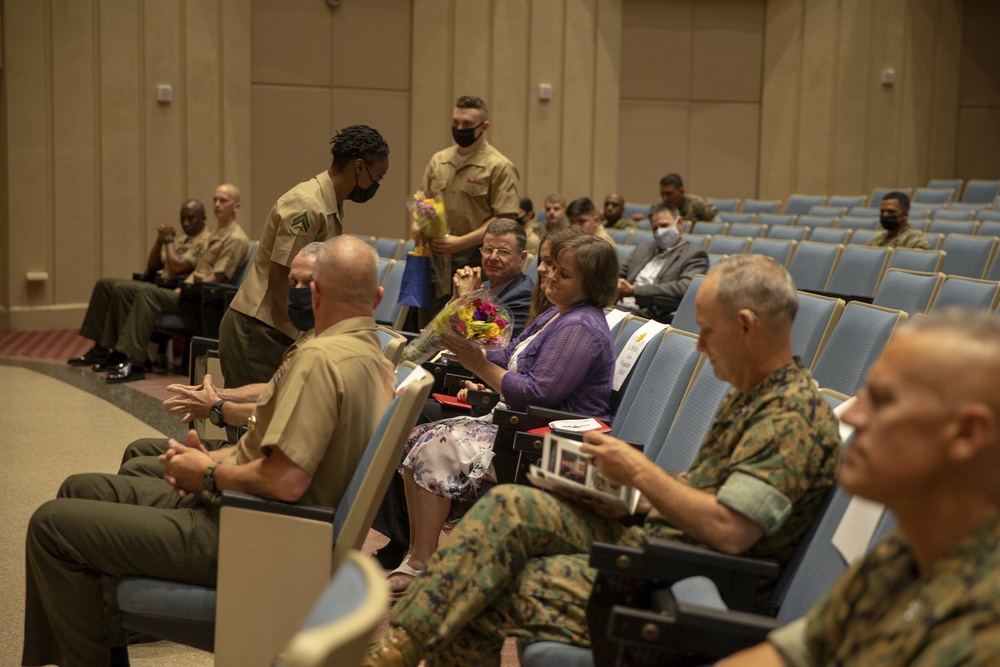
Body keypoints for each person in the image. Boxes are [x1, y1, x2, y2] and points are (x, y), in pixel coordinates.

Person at [362, 254, 841, 667]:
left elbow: (731, 530)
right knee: (510, 506)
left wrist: (639, 475)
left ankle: (398, 646)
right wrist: (621, 495)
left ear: (745, 326)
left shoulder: (788, 417)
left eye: (708, 331)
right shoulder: (754, 397)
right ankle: (402, 642)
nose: (699, 344)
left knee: (486, 591)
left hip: (677, 585)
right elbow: (711, 495)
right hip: (657, 543)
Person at [21, 236, 396, 667]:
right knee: (78, 489)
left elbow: (287, 480)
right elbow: (282, 456)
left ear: (314, 292)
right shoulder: (377, 364)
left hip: (249, 532)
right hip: (270, 525)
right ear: (378, 297)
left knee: (52, 525)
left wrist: (209, 475)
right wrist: (208, 460)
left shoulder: (321, 359)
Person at [722, 309, 1000, 666]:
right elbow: (793, 652)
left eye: (882, 400)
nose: (850, 416)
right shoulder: (908, 549)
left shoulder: (986, 631)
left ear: (966, 434)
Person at [384, 234, 620, 598]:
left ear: (592, 282)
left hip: (549, 442)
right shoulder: (556, 314)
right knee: (417, 437)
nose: (550, 276)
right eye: (552, 266)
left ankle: (422, 562)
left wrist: (475, 362)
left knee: (433, 449)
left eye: (564, 273)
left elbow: (538, 393)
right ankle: (419, 557)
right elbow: (509, 352)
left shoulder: (581, 327)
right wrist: (466, 333)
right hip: (517, 423)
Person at [116, 242, 326, 477]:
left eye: (308, 282)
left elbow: (282, 418)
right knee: (138, 448)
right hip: (253, 453)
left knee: (138, 467)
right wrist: (217, 393)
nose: (297, 290)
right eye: (292, 282)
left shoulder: (323, 353)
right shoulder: (309, 336)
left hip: (258, 469)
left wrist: (217, 409)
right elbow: (274, 389)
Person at [221, 125, 390, 388]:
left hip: (276, 328)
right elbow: (280, 277)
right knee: (254, 422)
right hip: (258, 329)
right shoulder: (308, 205)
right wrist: (310, 333)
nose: (375, 186)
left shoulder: (331, 203)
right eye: (377, 177)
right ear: (359, 167)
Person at [103, 184, 251, 383]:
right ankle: (117, 353)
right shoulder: (216, 234)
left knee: (147, 294)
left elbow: (216, 278)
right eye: (215, 199)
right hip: (190, 294)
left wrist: (185, 288)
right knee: (134, 290)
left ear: (237, 206)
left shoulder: (235, 238)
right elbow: (197, 271)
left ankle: (135, 362)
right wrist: (181, 286)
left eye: (223, 200)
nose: (217, 204)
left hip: (202, 302)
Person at [67, 199, 212, 370]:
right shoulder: (183, 239)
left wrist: (168, 241)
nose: (186, 223)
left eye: (191, 218)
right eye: (183, 219)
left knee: (133, 290)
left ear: (203, 218)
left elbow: (178, 266)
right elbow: (152, 266)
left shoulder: (205, 240)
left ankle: (129, 356)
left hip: (179, 294)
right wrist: (160, 241)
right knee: (106, 284)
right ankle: (101, 348)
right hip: (161, 286)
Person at [414, 96, 520, 326]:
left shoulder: (498, 166)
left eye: (466, 125)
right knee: (428, 324)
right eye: (455, 123)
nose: (459, 129)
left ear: (484, 126)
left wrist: (460, 242)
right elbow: (423, 200)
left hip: (473, 258)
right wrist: (417, 224)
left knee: (460, 325)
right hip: (434, 257)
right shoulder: (439, 160)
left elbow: (505, 219)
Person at [618, 202, 709, 323]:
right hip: (619, 306)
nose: (659, 232)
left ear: (679, 223)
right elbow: (619, 273)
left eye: (664, 226)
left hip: (650, 314)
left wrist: (635, 291)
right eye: (655, 228)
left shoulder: (694, 255)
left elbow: (683, 288)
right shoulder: (642, 248)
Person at [450, 218, 535, 338]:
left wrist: (466, 299)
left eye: (503, 251)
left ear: (521, 258)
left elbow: (488, 345)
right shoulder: (483, 286)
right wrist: (455, 299)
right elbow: (441, 330)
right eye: (488, 250)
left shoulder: (524, 295)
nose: (493, 257)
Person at [634, 173, 718, 223]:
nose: (665, 198)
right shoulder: (659, 206)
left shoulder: (698, 204)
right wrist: (642, 220)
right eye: (662, 193)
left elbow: (716, 225)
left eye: (669, 193)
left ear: (681, 191)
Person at [865, 191, 930, 249]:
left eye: (890, 212)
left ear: (905, 214)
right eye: (882, 212)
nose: (884, 215)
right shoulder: (877, 238)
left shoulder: (916, 239)